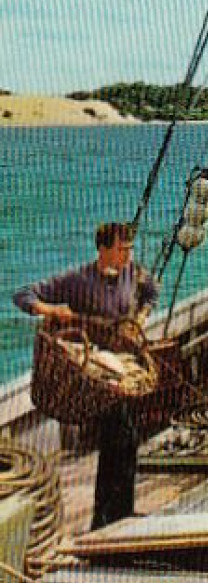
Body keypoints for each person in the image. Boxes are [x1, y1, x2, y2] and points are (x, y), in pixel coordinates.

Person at [13, 221, 159, 529]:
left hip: (122, 369)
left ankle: (114, 514)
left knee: (123, 439)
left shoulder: (134, 273)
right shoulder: (78, 280)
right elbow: (23, 295)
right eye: (122, 249)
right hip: (94, 374)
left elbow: (151, 291)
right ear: (103, 249)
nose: (128, 256)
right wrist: (52, 311)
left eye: (130, 249)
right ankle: (109, 518)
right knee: (120, 436)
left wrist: (141, 317)